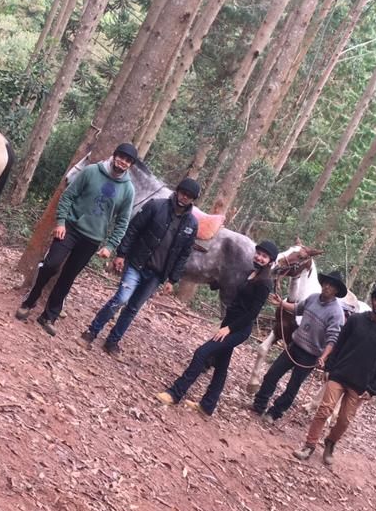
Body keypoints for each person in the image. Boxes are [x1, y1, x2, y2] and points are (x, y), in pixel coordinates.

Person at [16, 144, 137, 336]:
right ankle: (29, 301)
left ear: (130, 165)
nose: (123, 162)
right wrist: (61, 222)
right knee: (51, 265)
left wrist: (110, 245)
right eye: (121, 157)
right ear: (114, 156)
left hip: (93, 239)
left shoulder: (128, 190)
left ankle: (49, 316)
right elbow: (68, 196)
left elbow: (123, 222)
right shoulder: (91, 171)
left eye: (128, 161)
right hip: (70, 228)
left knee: (68, 277)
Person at [156, 239, 280, 416]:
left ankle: (175, 393)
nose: (259, 257)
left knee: (202, 353)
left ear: (271, 261)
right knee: (221, 365)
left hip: (239, 329)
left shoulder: (265, 283)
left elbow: (252, 314)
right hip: (228, 322)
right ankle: (208, 405)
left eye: (264, 256)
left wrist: (228, 329)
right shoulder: (251, 273)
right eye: (258, 253)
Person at [81, 177, 200, 355]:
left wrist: (172, 279)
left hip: (157, 274)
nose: (184, 197)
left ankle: (112, 341)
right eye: (183, 193)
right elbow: (133, 228)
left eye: (189, 196)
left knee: (133, 308)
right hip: (137, 263)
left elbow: (183, 254)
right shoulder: (156, 205)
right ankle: (93, 330)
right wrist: (121, 254)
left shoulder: (191, 224)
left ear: (192, 200)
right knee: (121, 299)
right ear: (177, 191)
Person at [294, 284, 376, 467]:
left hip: (361, 384)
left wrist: (374, 388)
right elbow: (339, 344)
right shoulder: (355, 320)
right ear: (372, 300)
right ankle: (309, 445)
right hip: (339, 374)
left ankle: (330, 443)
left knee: (344, 420)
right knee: (324, 410)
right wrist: (329, 367)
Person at [251, 269, 346, 423]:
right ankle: (259, 404)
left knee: (292, 387)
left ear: (336, 290)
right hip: (295, 345)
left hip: (310, 356)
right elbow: (297, 308)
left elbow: (333, 339)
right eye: (326, 283)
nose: (327, 287)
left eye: (332, 286)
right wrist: (281, 303)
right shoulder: (313, 298)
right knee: (272, 374)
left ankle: (274, 413)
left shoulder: (336, 314)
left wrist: (323, 357)